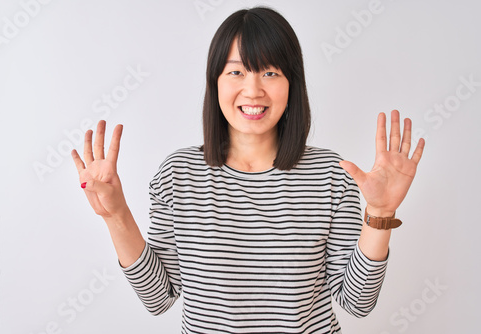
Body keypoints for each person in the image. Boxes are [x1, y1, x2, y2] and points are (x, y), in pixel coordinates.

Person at [71, 7, 425, 333]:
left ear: (292, 84)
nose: (253, 90)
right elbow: (159, 297)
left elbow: (356, 303)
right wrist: (116, 215)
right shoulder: (178, 174)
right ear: (216, 82)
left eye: (270, 72)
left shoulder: (331, 175)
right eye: (236, 71)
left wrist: (380, 213)